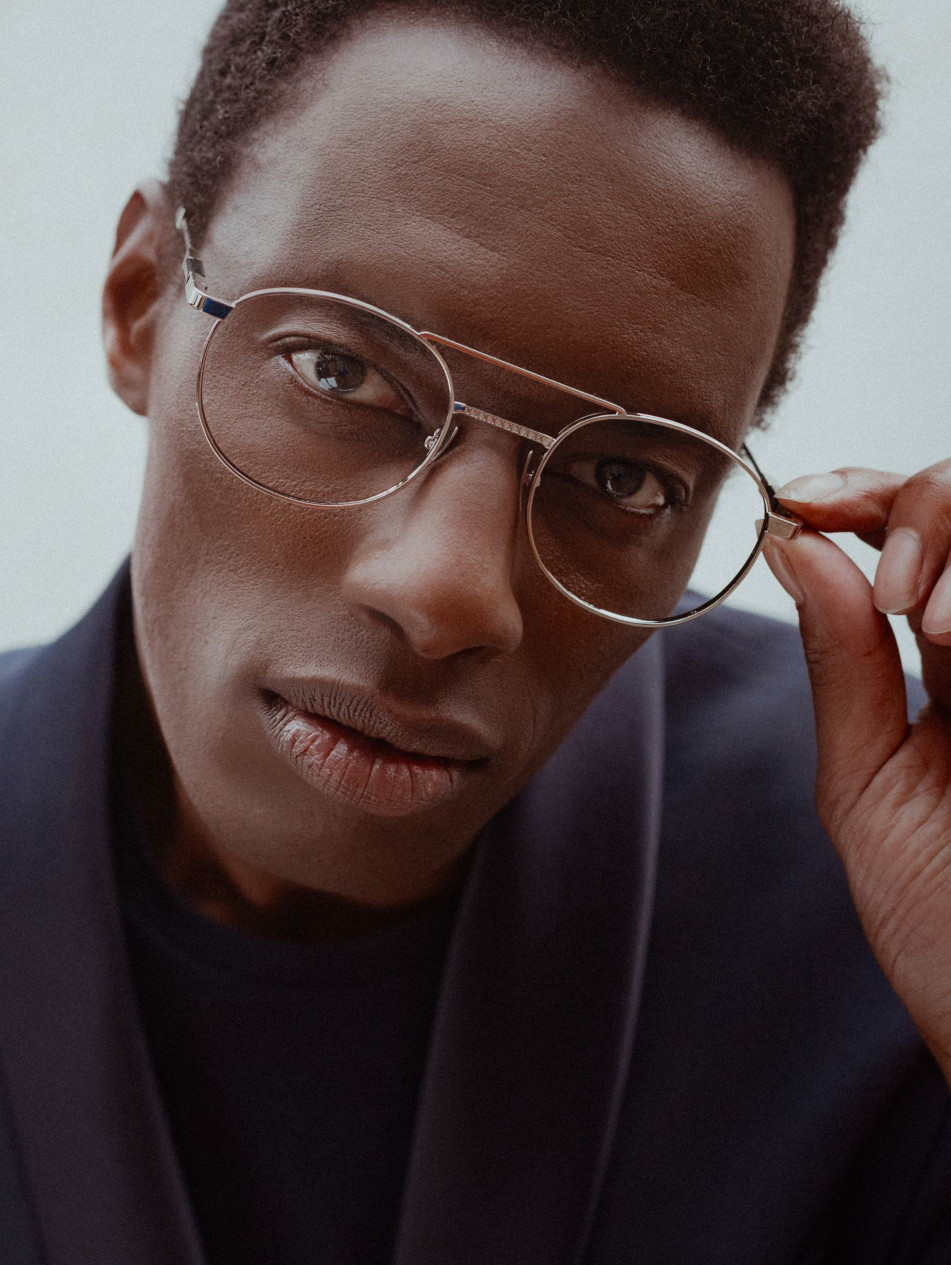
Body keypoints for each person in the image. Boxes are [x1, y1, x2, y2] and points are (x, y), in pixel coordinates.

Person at [1, 0, 950, 1261]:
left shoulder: (891, 893)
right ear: (138, 304)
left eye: (623, 477)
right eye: (341, 372)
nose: (449, 593)